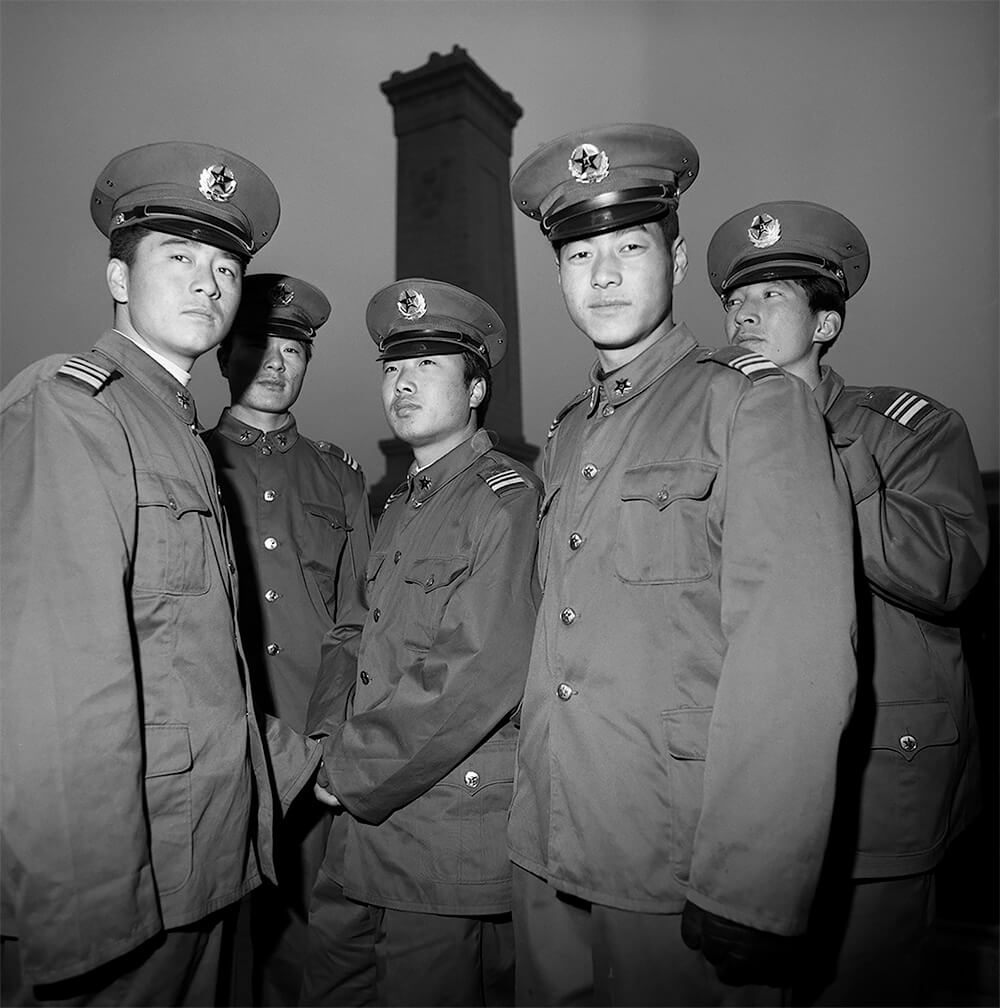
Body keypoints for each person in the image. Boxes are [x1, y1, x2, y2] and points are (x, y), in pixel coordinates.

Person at [506, 124, 859, 1006]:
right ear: (557, 275)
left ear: (677, 254)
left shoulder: (754, 406)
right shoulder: (569, 431)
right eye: (580, 253)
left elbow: (796, 660)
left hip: (678, 862)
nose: (606, 274)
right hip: (548, 851)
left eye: (631, 245)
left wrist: (751, 883)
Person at [0, 141, 310, 1007]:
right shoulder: (72, 409)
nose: (208, 283)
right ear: (118, 279)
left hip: (202, 860)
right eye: (178, 258)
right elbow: (57, 682)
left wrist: (300, 768)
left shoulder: (171, 425)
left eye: (225, 265)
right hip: (129, 893)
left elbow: (192, 663)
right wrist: (92, 922)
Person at [706, 200, 989, 1005]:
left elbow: (947, 571)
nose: (743, 316)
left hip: (879, 781)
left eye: (770, 298)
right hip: (748, 780)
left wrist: (821, 455)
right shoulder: (712, 433)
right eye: (734, 300)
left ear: (825, 324)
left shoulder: (908, 430)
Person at [300, 279, 542, 1007]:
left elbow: (475, 672)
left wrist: (347, 770)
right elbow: (355, 633)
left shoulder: (505, 500)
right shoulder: (404, 501)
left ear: (475, 390)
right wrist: (324, 741)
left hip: (441, 833)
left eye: (428, 367)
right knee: (331, 986)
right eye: (393, 369)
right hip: (356, 824)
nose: (402, 384)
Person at [203, 274, 373, 1005]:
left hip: (310, 746)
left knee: (309, 947)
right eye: (259, 344)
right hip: (210, 745)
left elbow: (359, 616)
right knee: (193, 945)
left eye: (294, 349)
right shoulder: (189, 459)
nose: (277, 361)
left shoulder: (337, 476)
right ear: (224, 355)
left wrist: (328, 735)